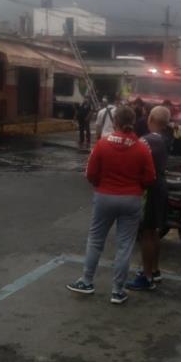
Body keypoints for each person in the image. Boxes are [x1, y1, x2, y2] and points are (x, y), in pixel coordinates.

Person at [67, 106, 156, 304]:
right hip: (131, 199)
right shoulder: (142, 147)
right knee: (125, 245)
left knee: (96, 239)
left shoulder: (102, 144)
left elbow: (90, 173)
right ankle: (117, 291)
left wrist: (101, 185)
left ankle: (87, 281)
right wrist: (136, 187)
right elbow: (150, 177)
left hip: (104, 197)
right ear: (133, 121)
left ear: (114, 121)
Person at [126, 106, 171, 291]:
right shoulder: (163, 139)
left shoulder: (147, 140)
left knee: (146, 233)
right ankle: (154, 271)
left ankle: (146, 277)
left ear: (151, 118)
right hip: (160, 186)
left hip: (150, 189)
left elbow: (132, 159)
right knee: (154, 233)